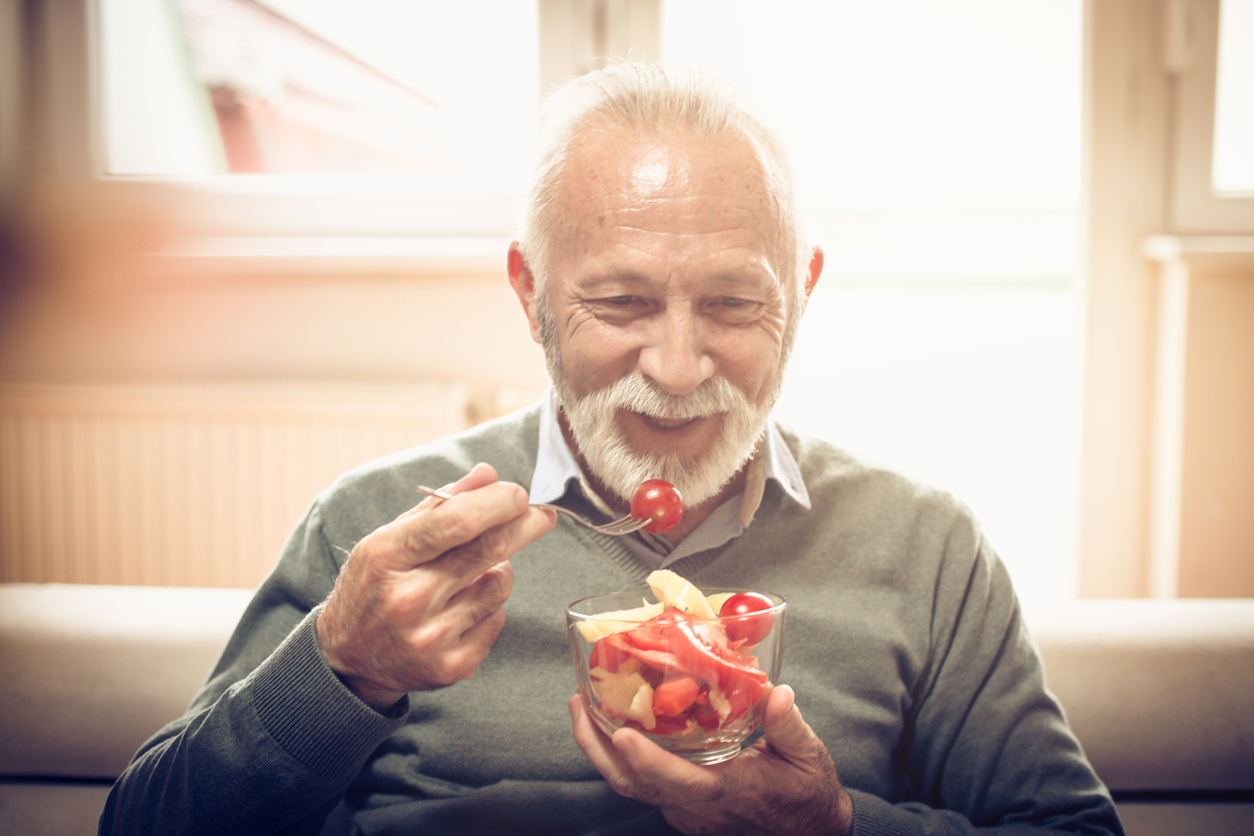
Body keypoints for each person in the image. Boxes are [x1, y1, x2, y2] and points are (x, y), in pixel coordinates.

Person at [100, 62, 1123, 836]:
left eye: (732, 301)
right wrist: (341, 666)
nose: (678, 367)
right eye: (621, 301)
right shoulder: (377, 528)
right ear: (530, 292)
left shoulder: (925, 547)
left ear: (802, 292)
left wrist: (835, 824)